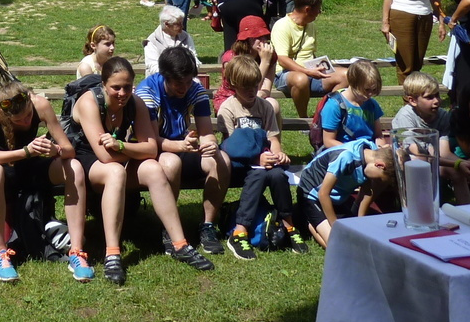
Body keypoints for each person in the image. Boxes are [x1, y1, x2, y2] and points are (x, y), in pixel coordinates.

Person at [69, 57, 213, 282]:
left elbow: (151, 148)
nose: (122, 93)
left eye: (127, 87)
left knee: (153, 168)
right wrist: (135, 150)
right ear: (104, 85)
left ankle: (180, 244)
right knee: (115, 172)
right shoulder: (90, 102)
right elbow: (105, 156)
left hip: (119, 155)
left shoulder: (135, 103)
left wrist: (121, 146)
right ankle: (112, 254)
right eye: (116, 87)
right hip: (86, 162)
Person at [0, 82, 93, 283]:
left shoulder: (40, 104)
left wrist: (55, 150)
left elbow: (69, 150)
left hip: (31, 166)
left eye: (29, 115)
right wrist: (25, 152)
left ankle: (76, 252)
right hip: (2, 168)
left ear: (30, 102)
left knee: (74, 167)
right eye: (18, 120)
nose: (26, 121)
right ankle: (0, 253)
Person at [134, 46, 230, 263]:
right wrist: (181, 146)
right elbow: (151, 140)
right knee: (171, 163)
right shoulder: (147, 92)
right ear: (165, 76)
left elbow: (206, 132)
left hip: (183, 145)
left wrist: (210, 144)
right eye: (179, 83)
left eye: (188, 82)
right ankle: (170, 228)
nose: (184, 88)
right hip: (155, 150)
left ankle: (207, 225)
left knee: (222, 160)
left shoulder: (195, 89)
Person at [217, 55, 310, 259]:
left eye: (255, 86)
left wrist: (278, 154)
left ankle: (289, 225)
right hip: (239, 163)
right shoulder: (228, 108)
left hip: (263, 161)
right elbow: (231, 146)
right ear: (233, 84)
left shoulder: (265, 106)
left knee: (277, 175)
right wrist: (255, 160)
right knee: (259, 175)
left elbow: (273, 138)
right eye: (246, 87)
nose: (252, 91)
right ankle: (240, 231)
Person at [296, 138, 392, 249]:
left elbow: (367, 192)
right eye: (378, 179)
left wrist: (361, 223)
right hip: (312, 194)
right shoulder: (345, 157)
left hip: (336, 198)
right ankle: (306, 218)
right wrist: (336, 227)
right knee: (336, 246)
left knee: (351, 239)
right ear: (379, 165)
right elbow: (323, 194)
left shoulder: (372, 154)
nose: (376, 181)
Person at [390, 71, 470, 199]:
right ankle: (422, 207)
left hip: (433, 159)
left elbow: (444, 152)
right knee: (420, 166)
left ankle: (466, 209)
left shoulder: (443, 116)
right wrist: (457, 163)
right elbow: (417, 154)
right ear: (412, 100)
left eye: (437, 95)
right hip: (409, 160)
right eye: (429, 97)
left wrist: (465, 165)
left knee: (457, 173)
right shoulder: (406, 117)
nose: (437, 101)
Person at [271, 0, 349, 118]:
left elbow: (311, 53)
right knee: (301, 79)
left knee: (346, 75)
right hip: (286, 75)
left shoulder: (311, 26)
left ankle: (322, 114)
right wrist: (307, 72)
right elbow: (282, 59)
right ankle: (304, 119)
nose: (319, 13)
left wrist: (321, 67)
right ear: (307, 9)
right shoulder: (282, 26)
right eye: (318, 9)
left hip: (311, 72)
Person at [212, 15, 281, 120]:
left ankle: (273, 132)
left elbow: (266, 89)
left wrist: (258, 96)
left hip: (255, 96)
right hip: (231, 97)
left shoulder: (269, 56)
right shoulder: (231, 58)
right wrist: (264, 62)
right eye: (258, 38)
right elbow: (247, 85)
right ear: (247, 39)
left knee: (273, 105)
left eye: (264, 36)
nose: (263, 41)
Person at [317, 59, 383, 150]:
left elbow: (378, 135)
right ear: (353, 83)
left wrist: (380, 149)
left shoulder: (372, 104)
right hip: (344, 151)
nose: (370, 94)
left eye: (374, 90)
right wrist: (358, 151)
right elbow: (328, 141)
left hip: (369, 149)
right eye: (366, 90)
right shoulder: (334, 105)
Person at [144, 5, 199, 75]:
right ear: (167, 24)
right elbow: (153, 67)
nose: (182, 26)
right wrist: (174, 75)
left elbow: (194, 59)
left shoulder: (185, 37)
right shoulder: (152, 41)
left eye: (182, 23)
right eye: (178, 24)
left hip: (184, 78)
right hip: (160, 79)